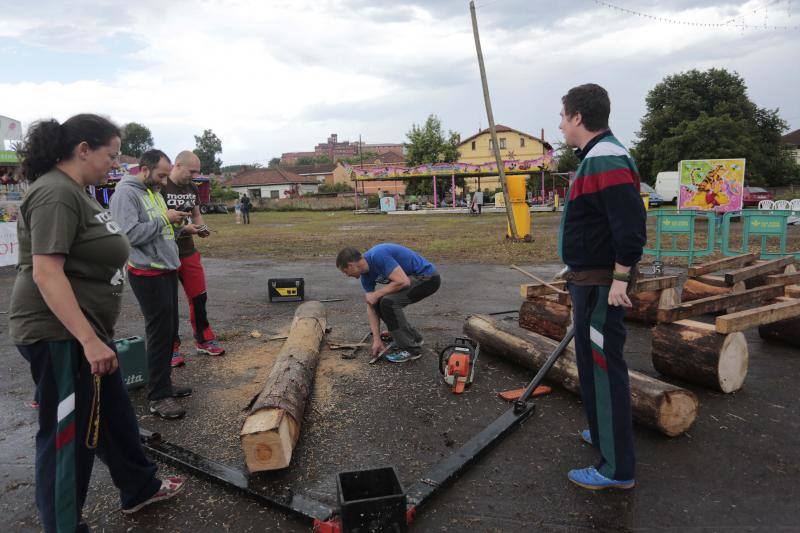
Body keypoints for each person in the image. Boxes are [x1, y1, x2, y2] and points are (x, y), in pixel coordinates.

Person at [9, 114, 185, 532]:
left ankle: (139, 487)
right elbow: (46, 273)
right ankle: (64, 524)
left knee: (114, 417)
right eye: (112, 154)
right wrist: (88, 340)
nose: (116, 163)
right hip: (60, 336)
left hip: (82, 333)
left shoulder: (76, 191)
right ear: (83, 149)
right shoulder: (55, 193)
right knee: (67, 436)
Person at [557, 83, 647, 490]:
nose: (560, 125)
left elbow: (629, 227)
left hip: (600, 285)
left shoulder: (606, 157)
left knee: (605, 368)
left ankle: (617, 470)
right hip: (587, 278)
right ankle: (602, 432)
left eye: (562, 116)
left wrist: (621, 277)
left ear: (578, 116)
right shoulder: (595, 157)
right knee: (592, 366)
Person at [110, 149, 194, 419]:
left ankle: (163, 383)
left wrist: (180, 227)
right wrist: (164, 219)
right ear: (144, 170)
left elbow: (160, 230)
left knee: (169, 331)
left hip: (166, 270)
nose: (162, 181)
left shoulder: (153, 192)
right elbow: (129, 235)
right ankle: (158, 397)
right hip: (148, 274)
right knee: (159, 334)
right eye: (160, 175)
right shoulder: (126, 194)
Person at [162, 150, 225, 365]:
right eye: (192, 171)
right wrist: (182, 228)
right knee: (167, 304)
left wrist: (201, 227)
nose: (196, 175)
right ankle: (170, 347)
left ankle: (203, 340)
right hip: (164, 254)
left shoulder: (192, 188)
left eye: (198, 172)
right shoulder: (160, 186)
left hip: (188, 252)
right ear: (177, 165)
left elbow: (196, 214)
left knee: (199, 296)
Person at [336, 243, 440, 363]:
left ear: (351, 265)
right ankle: (414, 338)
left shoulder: (377, 255)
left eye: (345, 271)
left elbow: (403, 281)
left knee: (388, 302)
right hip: (412, 279)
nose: (346, 275)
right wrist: (376, 339)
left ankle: (411, 349)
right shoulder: (366, 276)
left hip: (427, 278)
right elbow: (371, 305)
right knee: (379, 302)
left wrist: (377, 294)